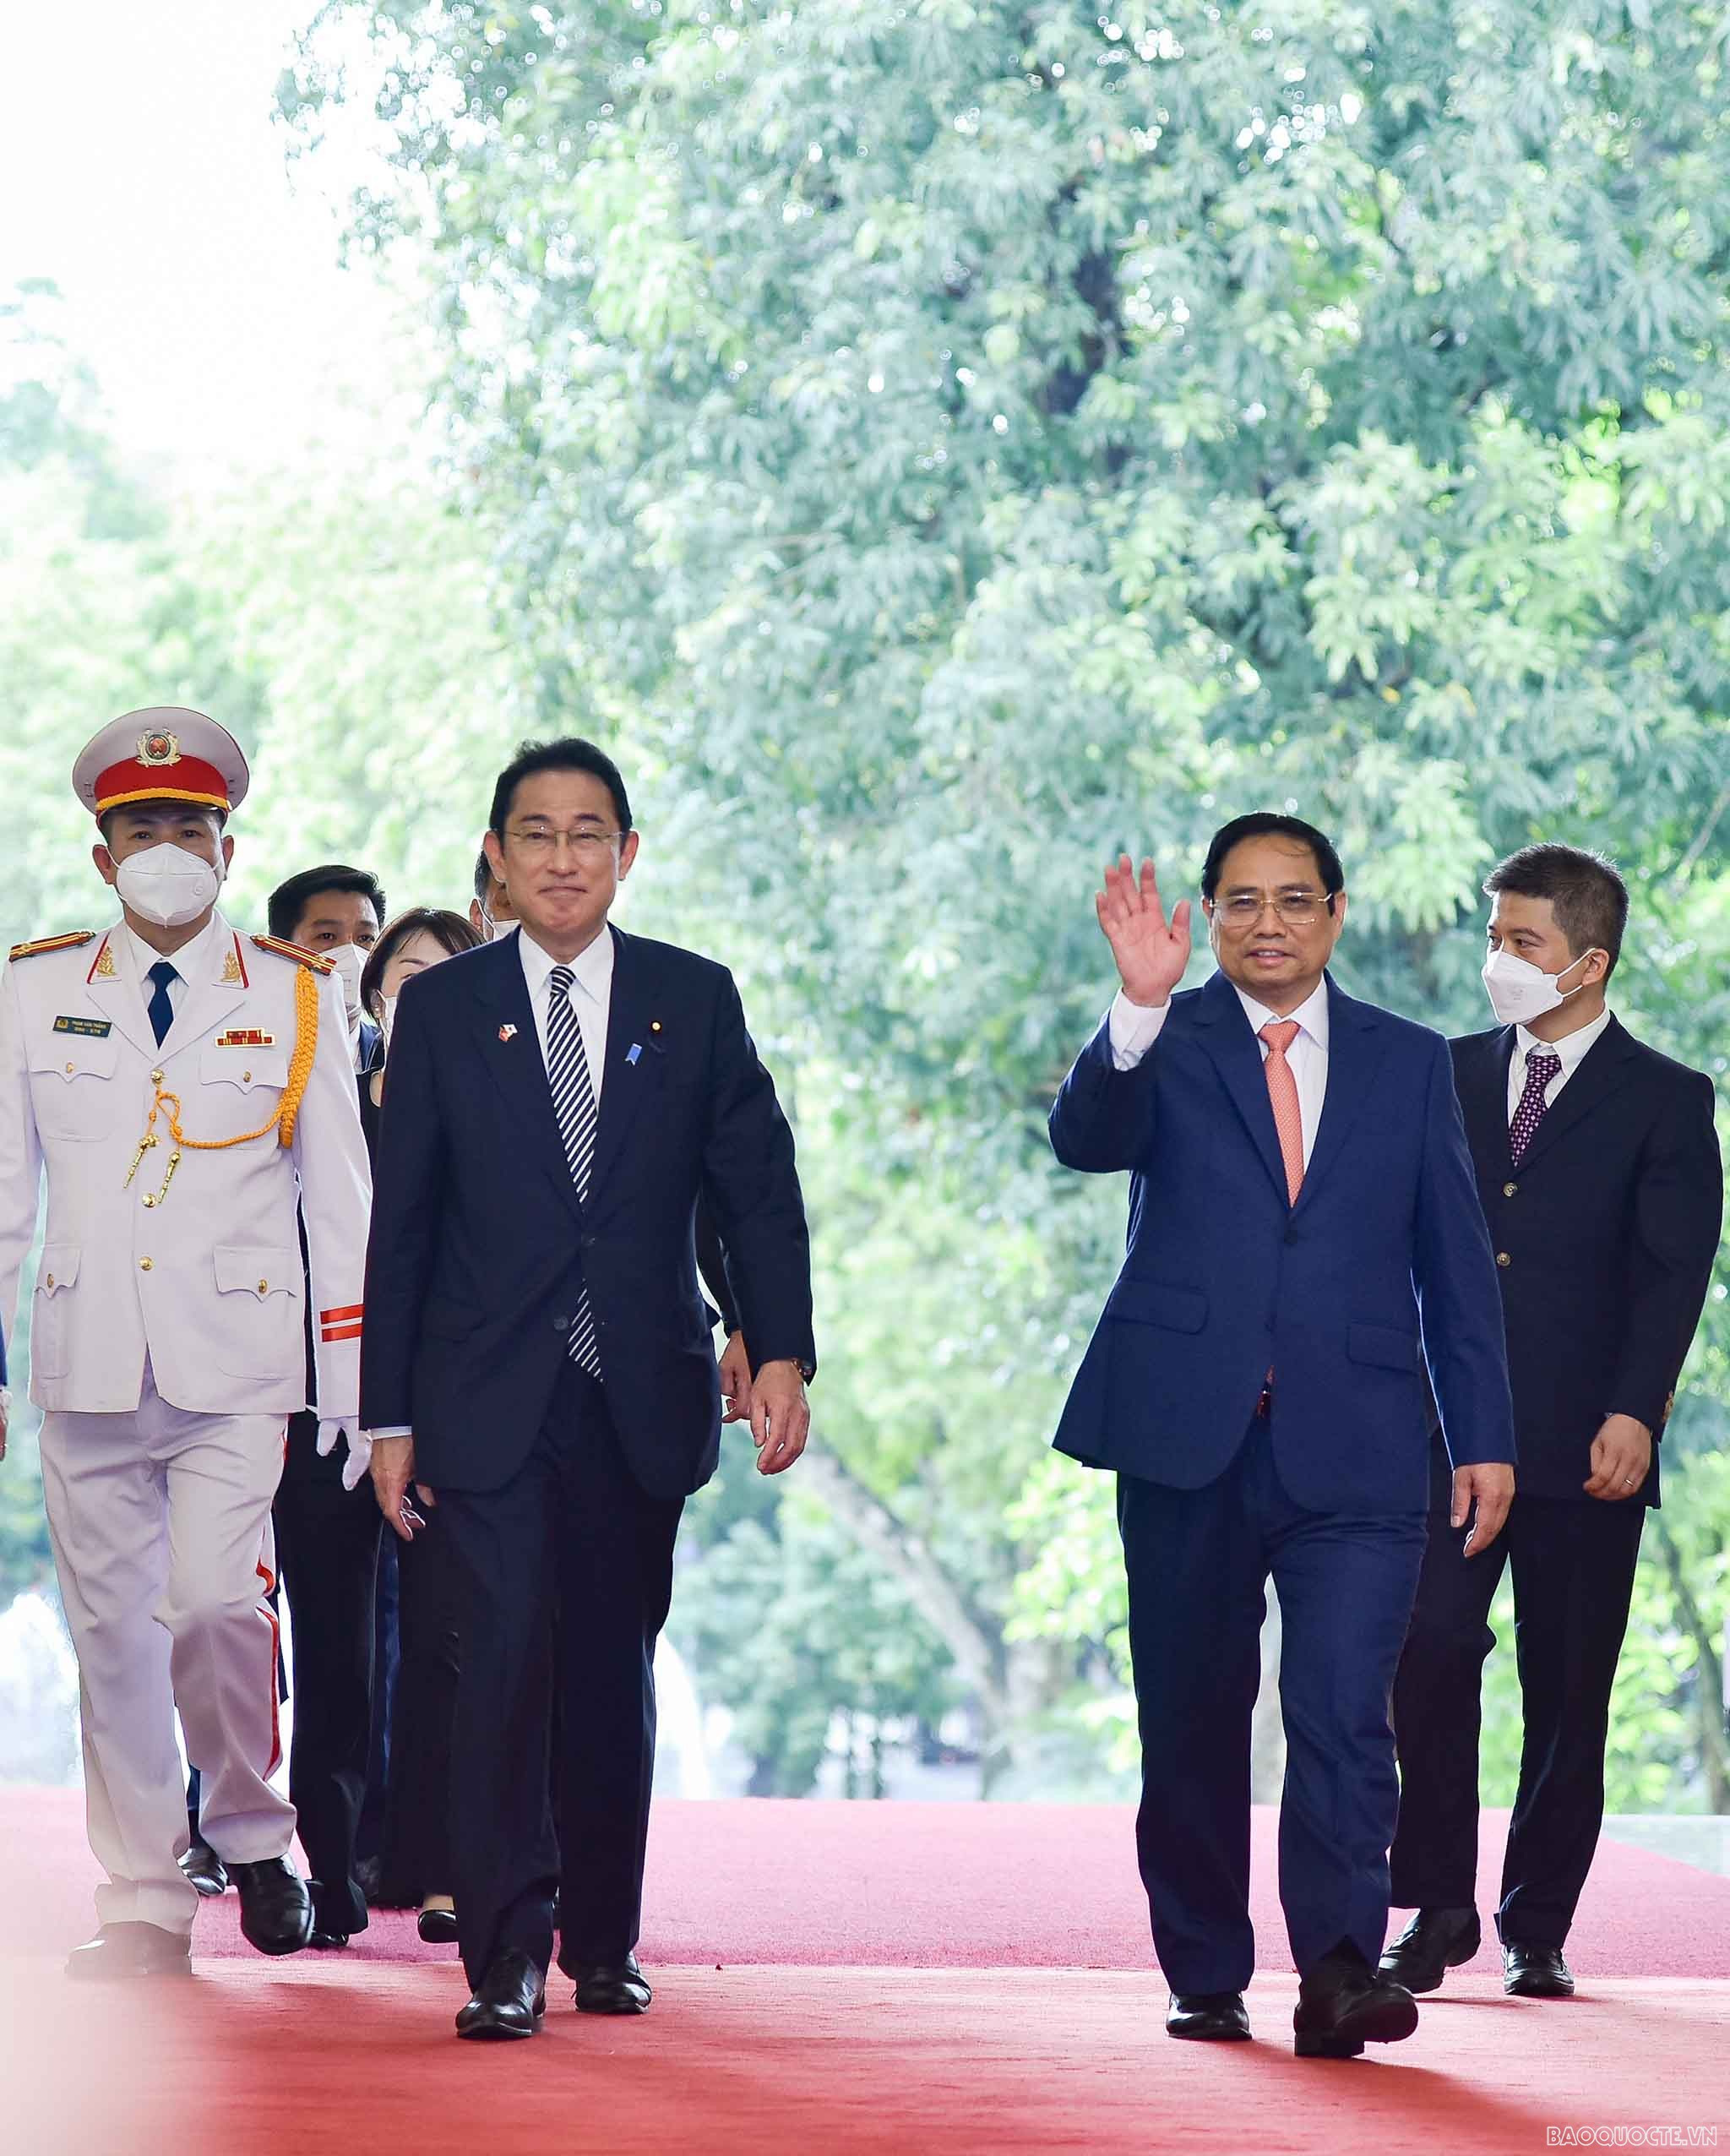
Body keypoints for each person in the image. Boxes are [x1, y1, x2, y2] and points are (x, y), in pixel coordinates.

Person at [361, 736, 815, 2041]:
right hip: (481, 1397)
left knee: (610, 1674)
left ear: (629, 851)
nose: (565, 857)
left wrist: (776, 1343)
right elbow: (405, 1226)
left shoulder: (694, 997)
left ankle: (603, 1941)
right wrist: (387, 1413)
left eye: (589, 832)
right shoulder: (444, 1013)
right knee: (496, 1666)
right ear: (495, 859)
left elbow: (753, 1188)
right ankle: (506, 1954)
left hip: (639, 1390)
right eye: (536, 834)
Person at [1048, 813, 1516, 2060]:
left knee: (1343, 1710)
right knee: (1192, 1716)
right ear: (1206, 917)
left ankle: (1342, 1970)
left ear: (1338, 913)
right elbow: (1083, 1143)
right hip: (1184, 1435)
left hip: (1361, 1439)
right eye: (1242, 902)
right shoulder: (1165, 1039)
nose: (1270, 922)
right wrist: (1135, 1008)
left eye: (1295, 900)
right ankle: (1204, 1968)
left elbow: (1455, 1264)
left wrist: (1486, 1435)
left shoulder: (1410, 1063)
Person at [0, 707, 373, 1978]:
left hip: (238, 1364)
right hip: (87, 1355)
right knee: (110, 1635)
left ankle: (252, 1830)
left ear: (228, 843)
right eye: (141, 829)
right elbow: (3, 1195)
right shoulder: (34, 990)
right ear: (104, 857)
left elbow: (341, 1199)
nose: (167, 847)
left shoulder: (295, 991)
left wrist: (356, 1383)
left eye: (191, 828)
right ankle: (145, 1898)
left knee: (214, 1605)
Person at [1384, 846, 1722, 2001]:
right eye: (1492, 939)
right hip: (1447, 1434)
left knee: (1568, 1685)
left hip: (1591, 1444)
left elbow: (1673, 1273)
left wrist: (1639, 1408)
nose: (1497, 963)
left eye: (1519, 943)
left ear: (1587, 961)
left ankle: (1538, 1922)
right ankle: (1434, 1906)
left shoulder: (1670, 1098)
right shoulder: (1445, 1073)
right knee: (1424, 1651)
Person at [356, 906, 483, 1945]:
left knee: (484, 1638)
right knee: (396, 1643)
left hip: (488, 1390)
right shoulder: (335, 1090)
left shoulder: (503, 1084)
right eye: (403, 971)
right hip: (371, 1396)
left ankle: (481, 1861)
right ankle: (399, 1858)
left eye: (445, 971)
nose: (418, 989)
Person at [267, 865, 388, 1074]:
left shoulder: (395, 1056)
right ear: (281, 948)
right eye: (327, 936)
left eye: (366, 938)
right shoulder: (257, 1053)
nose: (352, 953)